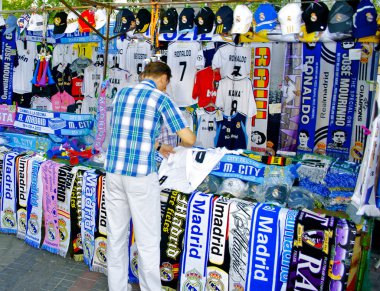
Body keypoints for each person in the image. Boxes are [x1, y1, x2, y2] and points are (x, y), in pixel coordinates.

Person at [104, 61, 196, 291]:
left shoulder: (123, 92)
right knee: (147, 241)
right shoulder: (161, 99)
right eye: (167, 83)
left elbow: (129, 130)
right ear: (163, 78)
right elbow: (189, 139)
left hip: (114, 173)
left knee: (116, 237)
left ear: (144, 75)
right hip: (140, 177)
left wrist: (157, 145)